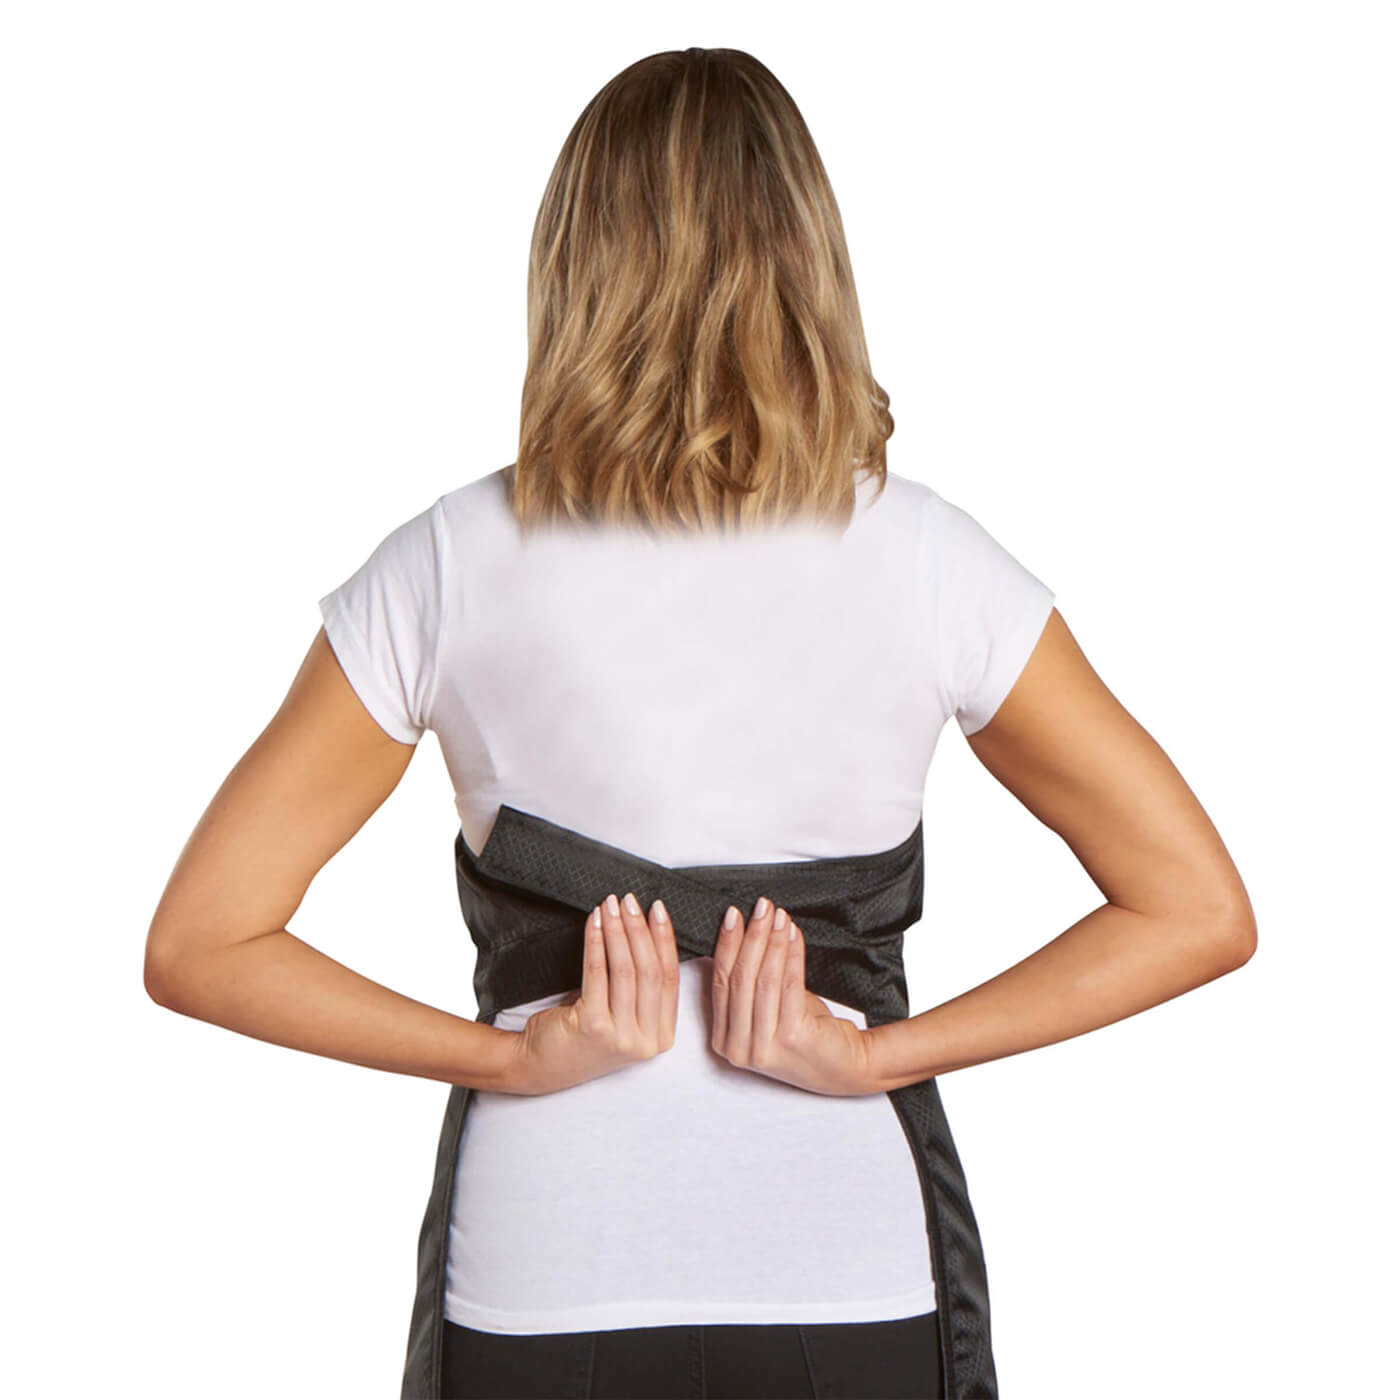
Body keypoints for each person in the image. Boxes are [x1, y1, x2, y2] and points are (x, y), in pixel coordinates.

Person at [143, 46, 1257, 1400]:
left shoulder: (449, 560)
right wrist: (873, 1056)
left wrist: (515, 1056)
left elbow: (203, 942)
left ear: (574, 261)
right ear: (809, 258)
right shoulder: (930, 563)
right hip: (849, 1258)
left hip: (545, 1265)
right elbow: (1197, 907)